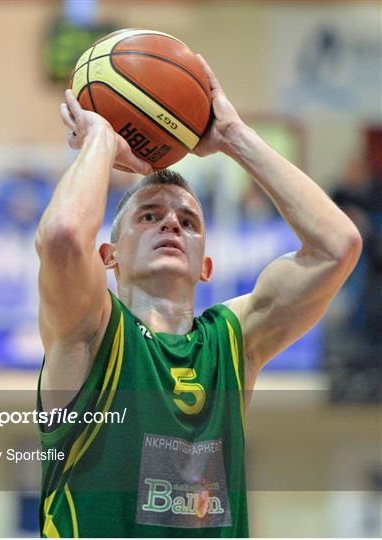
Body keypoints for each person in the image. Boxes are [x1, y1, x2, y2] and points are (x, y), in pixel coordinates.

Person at [35, 55, 362, 538]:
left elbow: (339, 247)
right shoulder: (89, 331)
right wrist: (101, 141)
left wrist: (233, 136)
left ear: (204, 266)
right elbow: (62, 237)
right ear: (109, 256)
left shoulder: (232, 342)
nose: (171, 222)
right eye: (148, 216)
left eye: (188, 222)